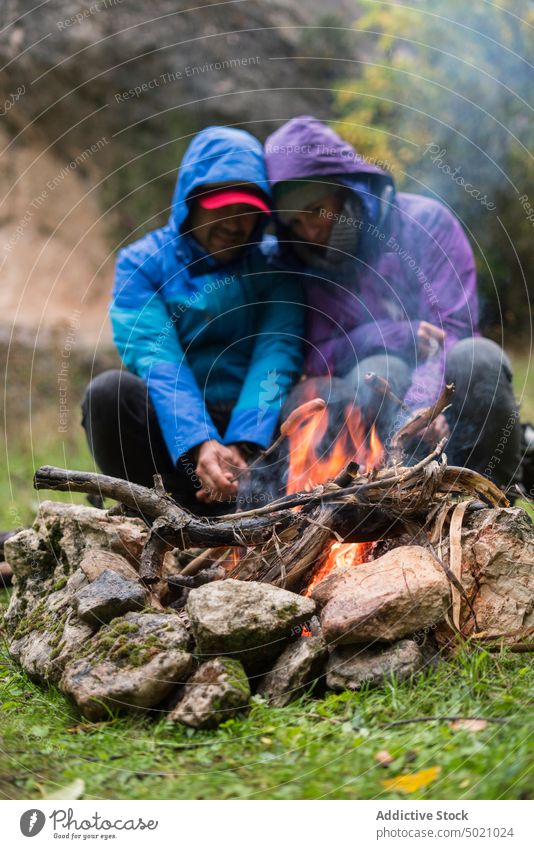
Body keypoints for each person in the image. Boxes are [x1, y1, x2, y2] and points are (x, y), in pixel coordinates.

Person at [264, 116, 521, 490]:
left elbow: (455, 329)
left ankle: (493, 496)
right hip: (374, 410)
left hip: (447, 387)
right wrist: (394, 335)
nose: (311, 232)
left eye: (317, 210)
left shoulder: (427, 224)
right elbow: (319, 353)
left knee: (478, 357)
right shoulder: (304, 264)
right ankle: (386, 498)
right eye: (295, 223)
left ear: (345, 187)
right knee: (377, 367)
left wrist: (424, 404)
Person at [82, 126, 303, 512]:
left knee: (314, 398)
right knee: (108, 394)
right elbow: (156, 356)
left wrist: (243, 445)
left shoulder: (275, 268)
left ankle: (252, 505)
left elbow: (276, 353)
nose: (235, 222)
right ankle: (156, 508)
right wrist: (199, 442)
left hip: (253, 437)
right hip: (175, 435)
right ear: (192, 200)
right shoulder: (142, 263)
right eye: (223, 206)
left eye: (248, 211)